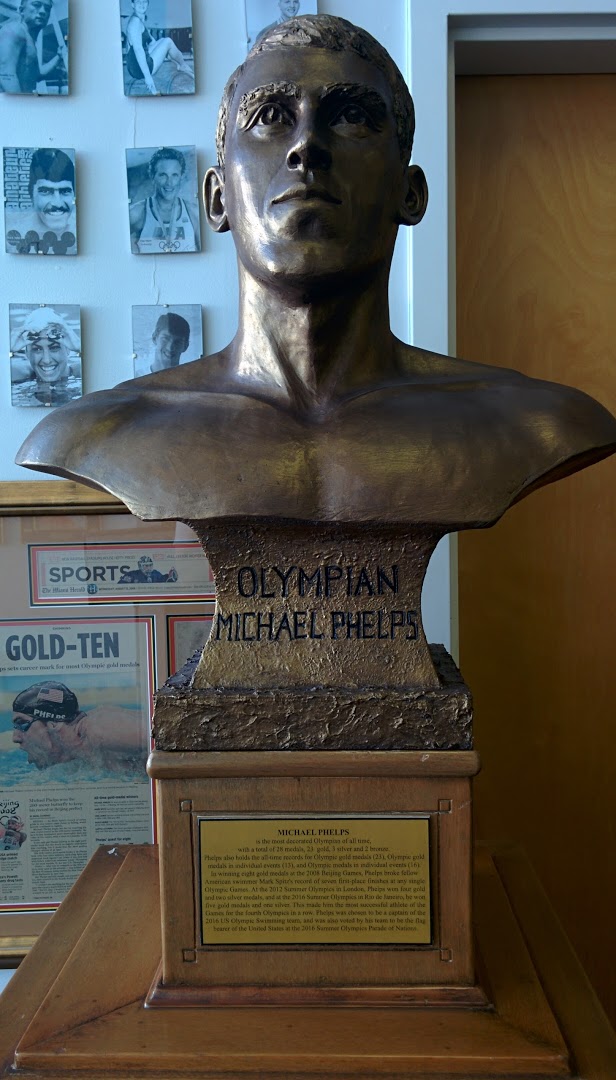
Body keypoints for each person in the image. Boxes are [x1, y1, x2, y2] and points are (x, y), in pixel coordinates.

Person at [17, 16, 616, 528]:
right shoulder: (97, 433)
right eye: (270, 115)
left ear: (409, 194)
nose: (306, 145)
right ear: (218, 199)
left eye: (351, 116)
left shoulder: (535, 424)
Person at [11, 681, 148, 774]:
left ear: (54, 724)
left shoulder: (98, 729)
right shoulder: (79, 752)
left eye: (22, 723)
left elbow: (159, 734)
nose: (15, 738)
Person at [5, 148, 76, 255]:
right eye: (46, 191)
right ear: (31, 194)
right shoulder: (15, 234)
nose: (57, 203)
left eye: (65, 191)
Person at [129, 147, 200, 254]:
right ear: (153, 177)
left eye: (174, 175)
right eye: (163, 175)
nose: (169, 183)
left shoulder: (193, 212)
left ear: (180, 177)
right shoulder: (137, 212)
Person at [11, 307, 81, 406]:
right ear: (27, 352)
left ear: (68, 348)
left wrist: (79, 347)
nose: (46, 360)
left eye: (54, 348)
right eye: (37, 349)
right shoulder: (20, 375)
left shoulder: (80, 373)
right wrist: (7, 349)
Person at [124, 0, 193, 96]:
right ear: (133, 5)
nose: (142, 4)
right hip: (137, 68)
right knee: (168, 41)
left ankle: (179, 64)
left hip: (135, 65)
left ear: (148, 4)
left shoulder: (139, 21)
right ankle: (182, 64)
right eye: (138, 1)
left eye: (144, 1)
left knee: (163, 41)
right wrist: (148, 77)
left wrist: (173, 60)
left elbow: (154, 44)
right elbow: (138, 50)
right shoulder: (135, 23)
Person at [0, 0, 64, 94]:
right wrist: (23, 102)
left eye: (47, 9)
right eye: (36, 5)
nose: (43, 11)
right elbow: (6, 76)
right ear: (21, 10)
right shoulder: (14, 31)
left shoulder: (28, 38)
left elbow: (36, 75)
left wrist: (58, 57)